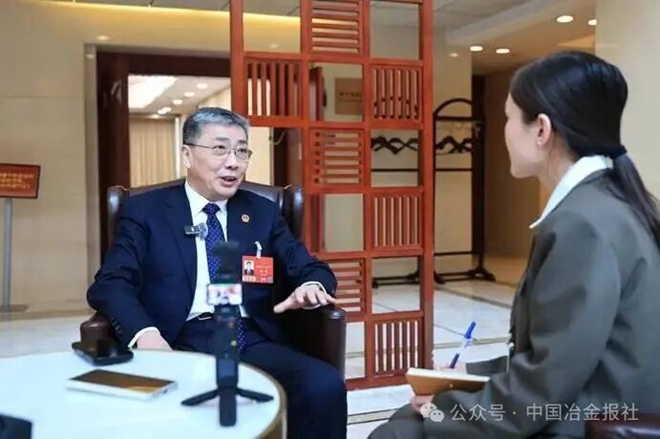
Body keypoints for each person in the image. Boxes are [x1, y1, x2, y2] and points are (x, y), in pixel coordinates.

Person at [369, 51, 660, 438]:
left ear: (541, 130)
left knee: (401, 430)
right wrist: (469, 376)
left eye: (508, 117)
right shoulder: (611, 203)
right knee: (410, 419)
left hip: (580, 424)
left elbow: (545, 385)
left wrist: (444, 410)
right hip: (586, 408)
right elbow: (557, 357)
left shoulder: (582, 224)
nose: (503, 130)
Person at [87, 107, 347, 439]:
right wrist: (147, 335)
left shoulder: (263, 212)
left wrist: (311, 285)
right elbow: (111, 283)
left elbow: (311, 267)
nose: (233, 162)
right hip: (179, 339)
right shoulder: (145, 211)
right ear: (187, 154)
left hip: (250, 337)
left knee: (324, 385)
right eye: (220, 149)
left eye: (242, 151)